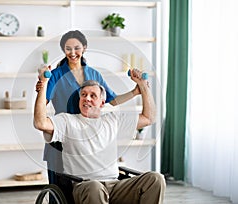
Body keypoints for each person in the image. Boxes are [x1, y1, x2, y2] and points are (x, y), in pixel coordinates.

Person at [34, 69, 166, 204]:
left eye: (93, 95)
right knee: (95, 187)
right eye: (83, 95)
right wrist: (43, 85)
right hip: (85, 186)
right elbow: (40, 123)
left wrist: (143, 86)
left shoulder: (113, 120)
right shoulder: (67, 121)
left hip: (115, 186)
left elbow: (149, 118)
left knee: (155, 179)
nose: (87, 98)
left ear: (102, 103)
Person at [36, 30, 143, 191]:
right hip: (63, 132)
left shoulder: (93, 73)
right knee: (62, 190)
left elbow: (112, 100)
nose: (73, 53)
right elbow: (42, 103)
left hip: (89, 135)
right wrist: (42, 85)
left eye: (77, 48)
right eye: (68, 48)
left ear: (84, 48)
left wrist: (135, 91)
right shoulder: (56, 75)